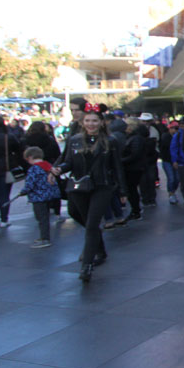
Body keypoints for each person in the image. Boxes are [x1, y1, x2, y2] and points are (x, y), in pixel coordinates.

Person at [52, 107, 127, 282]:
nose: (91, 124)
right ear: (82, 123)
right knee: (80, 217)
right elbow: (68, 162)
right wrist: (59, 169)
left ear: (101, 123)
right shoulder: (74, 140)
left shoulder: (110, 141)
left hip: (102, 186)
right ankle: (99, 249)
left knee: (92, 224)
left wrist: (123, 191)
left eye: (94, 121)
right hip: (79, 186)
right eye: (88, 121)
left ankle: (87, 264)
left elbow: (117, 166)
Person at [22, 146, 60, 249]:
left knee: (41, 218)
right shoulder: (48, 166)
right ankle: (44, 237)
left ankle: (45, 238)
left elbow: (30, 183)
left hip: (38, 197)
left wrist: (24, 191)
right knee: (45, 217)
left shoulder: (33, 169)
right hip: (49, 195)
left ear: (30, 157)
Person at [120, 117, 147, 221]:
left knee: (132, 189)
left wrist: (122, 160)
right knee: (132, 189)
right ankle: (136, 210)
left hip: (134, 168)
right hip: (134, 167)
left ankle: (136, 210)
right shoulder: (134, 138)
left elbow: (135, 154)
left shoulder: (135, 138)